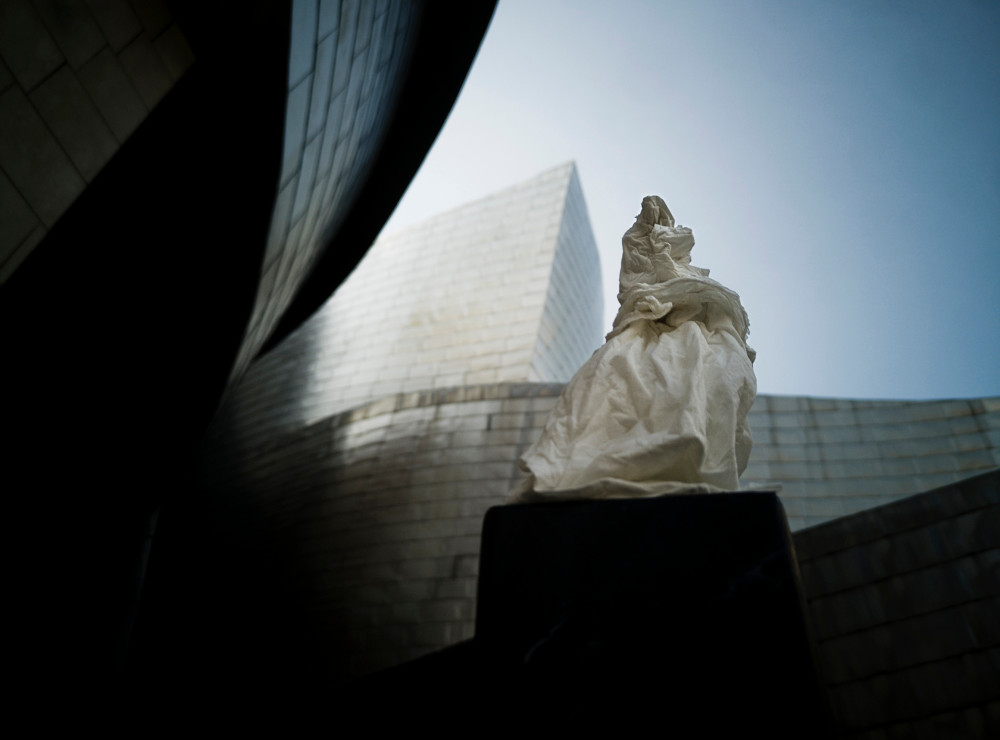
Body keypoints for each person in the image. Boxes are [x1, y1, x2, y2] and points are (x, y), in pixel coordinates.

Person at [508, 196, 757, 502]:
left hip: (683, 332)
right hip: (645, 329)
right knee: (617, 384)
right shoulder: (640, 246)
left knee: (702, 381)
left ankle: (680, 454)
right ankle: (611, 457)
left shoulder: (692, 279)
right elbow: (635, 280)